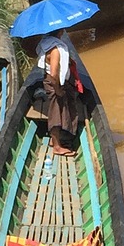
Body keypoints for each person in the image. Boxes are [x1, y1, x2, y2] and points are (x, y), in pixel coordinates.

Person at [35, 28, 87, 156]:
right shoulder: (55, 50)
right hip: (54, 83)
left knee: (59, 110)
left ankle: (56, 141)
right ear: (60, 32)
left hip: (52, 81)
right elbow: (53, 74)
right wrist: (58, 89)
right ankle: (57, 146)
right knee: (56, 113)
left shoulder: (46, 43)